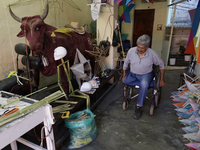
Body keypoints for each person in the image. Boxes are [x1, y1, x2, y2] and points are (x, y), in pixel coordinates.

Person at [122, 34, 165, 120]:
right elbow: (126, 63)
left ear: (147, 47)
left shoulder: (152, 53)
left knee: (144, 84)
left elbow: (161, 64)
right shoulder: (131, 51)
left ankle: (139, 106)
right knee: (125, 81)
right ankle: (143, 88)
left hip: (146, 75)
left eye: (142, 48)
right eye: (138, 47)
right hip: (133, 74)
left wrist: (162, 79)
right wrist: (123, 75)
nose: (140, 49)